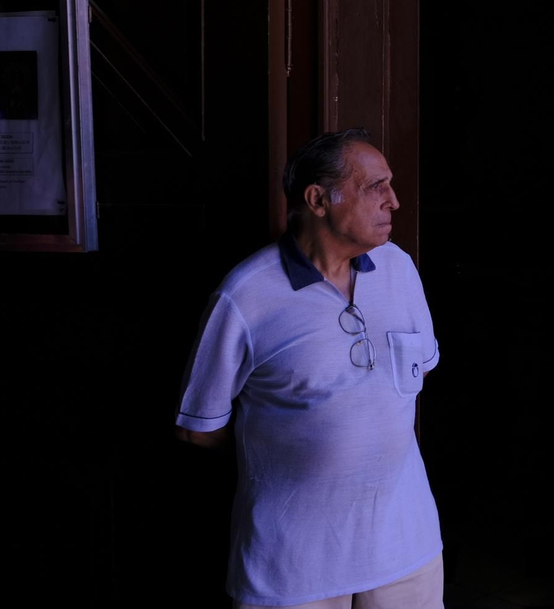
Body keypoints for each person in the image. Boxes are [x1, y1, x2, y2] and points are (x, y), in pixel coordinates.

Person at [175, 129, 443, 609]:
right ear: (318, 199)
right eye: (374, 186)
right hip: (292, 565)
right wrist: (291, 451)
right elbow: (200, 428)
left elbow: (418, 372)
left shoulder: (399, 269)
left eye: (390, 184)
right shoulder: (246, 295)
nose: (394, 201)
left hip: (408, 549)